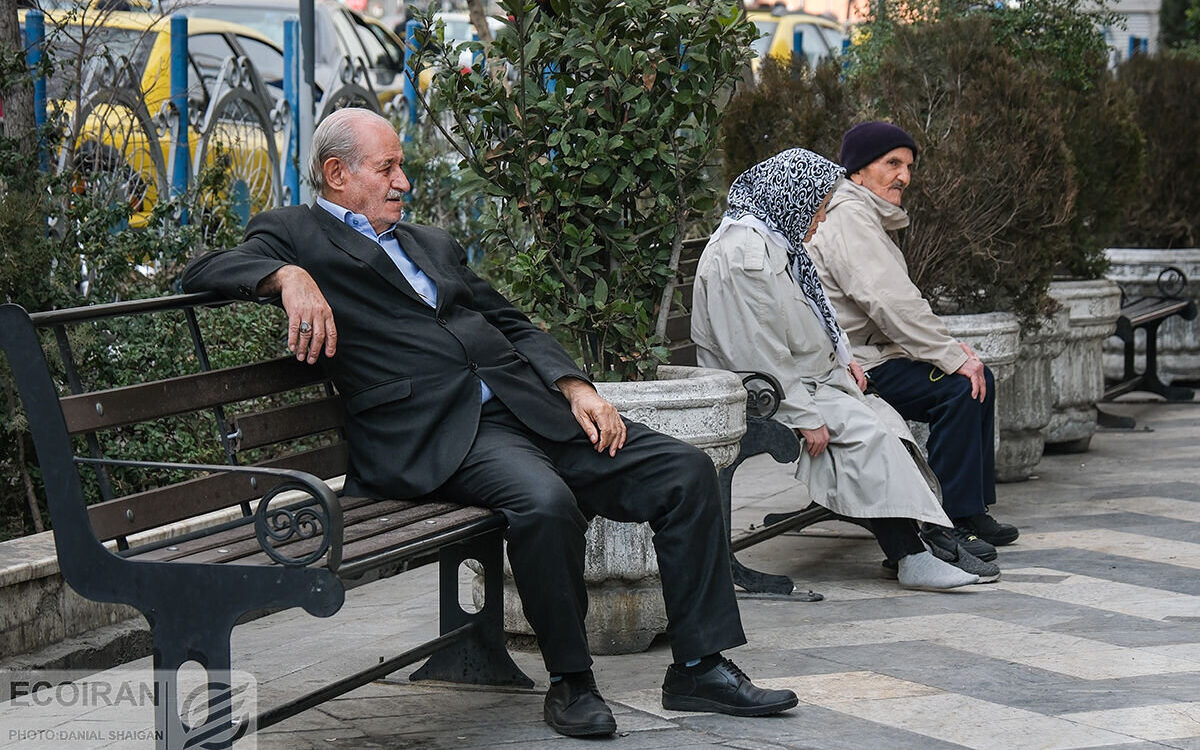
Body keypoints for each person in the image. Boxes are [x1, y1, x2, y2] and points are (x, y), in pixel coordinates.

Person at [181, 107, 797, 739]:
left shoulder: (428, 243)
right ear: (337, 174)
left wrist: (575, 386)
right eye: (387, 168)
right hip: (439, 434)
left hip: (529, 407)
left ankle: (698, 668)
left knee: (686, 471)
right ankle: (572, 681)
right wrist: (289, 276)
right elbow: (201, 269)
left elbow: (509, 321)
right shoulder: (295, 233)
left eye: (401, 167)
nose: (403, 182)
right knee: (545, 502)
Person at [691, 147, 997, 590]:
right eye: (817, 207)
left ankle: (929, 538)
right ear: (792, 198)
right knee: (867, 436)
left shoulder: (771, 241)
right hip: (771, 393)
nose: (820, 219)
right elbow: (756, 351)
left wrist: (844, 360)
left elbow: (807, 323)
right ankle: (912, 555)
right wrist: (804, 416)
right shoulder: (744, 256)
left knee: (886, 425)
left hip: (803, 382)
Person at [806, 121, 1020, 563]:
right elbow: (890, 302)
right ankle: (946, 522)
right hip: (856, 365)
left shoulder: (863, 214)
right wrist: (951, 356)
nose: (904, 176)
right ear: (857, 170)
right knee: (960, 388)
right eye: (892, 163)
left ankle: (970, 510)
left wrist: (953, 353)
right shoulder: (849, 217)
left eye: (908, 166)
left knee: (977, 379)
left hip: (876, 354)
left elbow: (893, 304)